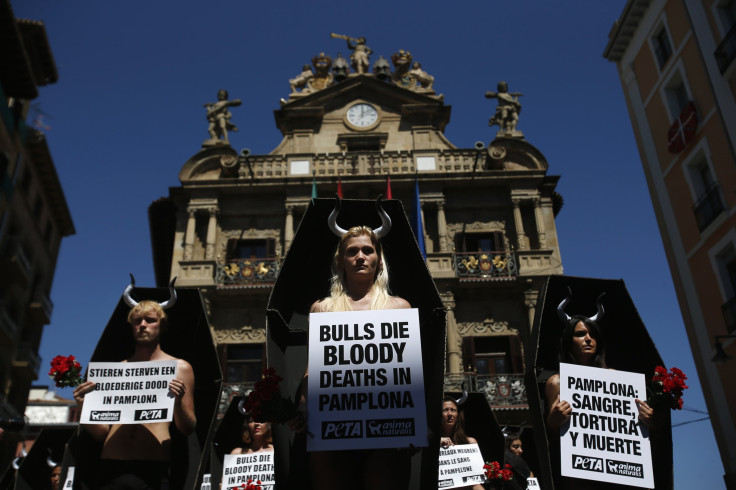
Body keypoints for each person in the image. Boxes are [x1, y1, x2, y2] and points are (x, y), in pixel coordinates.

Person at [291, 198, 411, 490]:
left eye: (368, 250)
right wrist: (302, 411)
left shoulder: (399, 308)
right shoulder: (322, 309)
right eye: (352, 251)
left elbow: (409, 373)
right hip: (331, 426)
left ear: (378, 260)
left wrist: (417, 420)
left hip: (384, 427)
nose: (360, 256)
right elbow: (312, 371)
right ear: (340, 260)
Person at [73, 282, 196, 490]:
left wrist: (177, 403)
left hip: (152, 469)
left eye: (150, 320)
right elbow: (101, 433)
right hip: (110, 466)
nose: (143, 325)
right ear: (131, 326)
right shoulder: (115, 371)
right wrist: (83, 407)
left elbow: (188, 427)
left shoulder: (180, 368)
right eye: (137, 320)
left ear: (162, 325)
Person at [545, 293, 654, 489]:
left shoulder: (617, 378)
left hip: (619, 477)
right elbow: (551, 437)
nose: (588, 339)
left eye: (592, 334)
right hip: (579, 479)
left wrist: (649, 419)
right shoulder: (557, 383)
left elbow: (636, 429)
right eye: (580, 334)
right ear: (568, 340)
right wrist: (553, 421)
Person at [440, 396, 483, 490]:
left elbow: (475, 483)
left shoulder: (470, 443)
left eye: (453, 410)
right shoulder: (431, 440)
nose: (450, 414)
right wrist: (437, 442)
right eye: (445, 410)